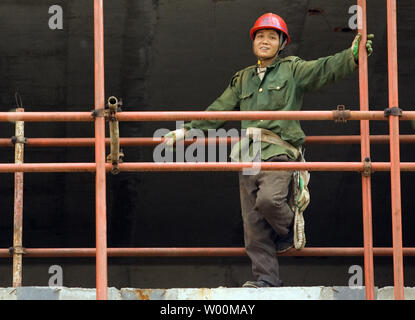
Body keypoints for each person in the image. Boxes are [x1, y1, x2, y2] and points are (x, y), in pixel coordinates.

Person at [164, 12, 374, 288]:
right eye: (260, 36)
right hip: (247, 154)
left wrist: (352, 57)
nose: (265, 41)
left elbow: (323, 69)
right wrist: (187, 130)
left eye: (271, 37)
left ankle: (289, 229)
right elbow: (219, 109)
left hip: (279, 149)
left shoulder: (292, 69)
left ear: (282, 43)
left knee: (269, 201)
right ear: (253, 42)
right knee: (253, 224)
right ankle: (266, 279)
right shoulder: (243, 79)